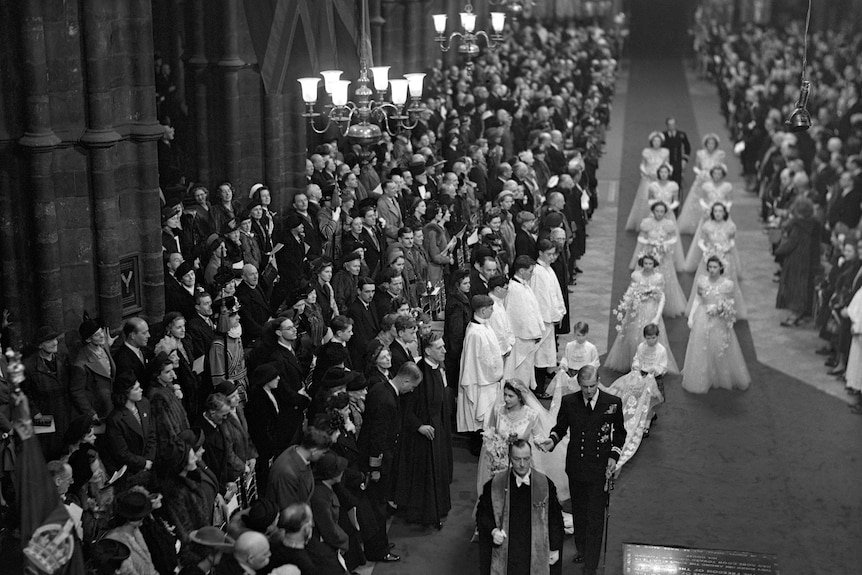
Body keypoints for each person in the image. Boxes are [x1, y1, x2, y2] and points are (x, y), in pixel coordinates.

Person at [539, 366, 625, 575]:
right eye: (585, 387)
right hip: (576, 467)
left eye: (593, 386)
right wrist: (551, 441)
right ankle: (583, 549)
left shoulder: (612, 403)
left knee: (595, 517)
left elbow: (620, 434)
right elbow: (560, 428)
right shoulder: (569, 402)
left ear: (599, 381)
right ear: (579, 384)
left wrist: (613, 457)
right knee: (579, 513)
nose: (588, 391)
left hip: (599, 469)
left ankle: (591, 564)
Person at [476, 440, 564, 575]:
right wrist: (493, 531)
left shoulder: (544, 485)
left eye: (526, 459)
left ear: (531, 458)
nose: (522, 464)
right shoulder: (495, 485)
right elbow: (482, 513)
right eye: (517, 459)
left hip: (535, 551)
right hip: (508, 554)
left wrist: (555, 547)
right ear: (510, 459)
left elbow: (555, 519)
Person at [396, 333, 452, 527]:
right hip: (422, 433)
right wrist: (418, 425)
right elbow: (406, 407)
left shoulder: (437, 368)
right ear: (428, 351)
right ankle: (424, 514)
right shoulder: (419, 373)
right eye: (439, 347)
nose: (444, 350)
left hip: (438, 427)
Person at [600, 323, 666, 470]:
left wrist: (654, 370)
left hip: (653, 379)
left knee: (650, 402)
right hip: (640, 377)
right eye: (648, 338)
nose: (651, 341)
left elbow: (663, 366)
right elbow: (637, 358)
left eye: (653, 338)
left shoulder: (661, 350)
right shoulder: (642, 347)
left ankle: (647, 422)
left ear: (657, 336)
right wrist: (636, 365)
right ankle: (649, 416)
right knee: (640, 401)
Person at [682, 256, 751, 394]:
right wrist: (691, 317)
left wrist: (719, 309)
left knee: (719, 346)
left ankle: (720, 376)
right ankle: (704, 377)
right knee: (702, 346)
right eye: (710, 267)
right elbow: (697, 299)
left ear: (720, 267)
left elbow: (730, 303)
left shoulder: (727, 285)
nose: (712, 270)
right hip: (703, 316)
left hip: (719, 319)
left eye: (715, 267)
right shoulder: (702, 281)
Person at [605, 254, 679, 374]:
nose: (648, 266)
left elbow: (662, 297)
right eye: (645, 263)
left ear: (654, 264)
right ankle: (635, 363)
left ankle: (652, 365)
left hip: (651, 309)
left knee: (649, 335)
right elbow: (630, 289)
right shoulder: (636, 275)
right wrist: (626, 302)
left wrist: (657, 316)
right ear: (641, 263)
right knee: (632, 336)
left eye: (650, 264)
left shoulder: (658, 278)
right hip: (636, 309)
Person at [684, 202, 747, 319]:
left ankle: (725, 309)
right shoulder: (707, 226)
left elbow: (732, 241)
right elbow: (700, 241)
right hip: (710, 259)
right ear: (712, 212)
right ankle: (706, 306)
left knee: (725, 282)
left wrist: (726, 248)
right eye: (716, 211)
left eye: (720, 211)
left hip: (725, 258)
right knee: (708, 282)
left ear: (724, 213)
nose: (718, 214)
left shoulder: (730, 226)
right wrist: (708, 250)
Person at [631, 200, 687, 317]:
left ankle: (664, 305)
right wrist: (650, 242)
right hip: (649, 253)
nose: (659, 213)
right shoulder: (647, 223)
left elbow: (674, 239)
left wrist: (664, 244)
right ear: (653, 211)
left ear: (665, 212)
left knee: (665, 279)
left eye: (662, 211)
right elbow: (641, 238)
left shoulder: (668, 224)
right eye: (657, 211)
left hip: (663, 255)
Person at [457, 295, 504, 434]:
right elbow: (481, 360)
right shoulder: (475, 333)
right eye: (490, 309)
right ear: (483, 311)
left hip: (488, 379)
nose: (492, 312)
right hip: (482, 381)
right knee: (482, 415)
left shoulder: (484, 325)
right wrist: (496, 374)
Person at [775, 197, 821, 327]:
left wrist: (778, 251)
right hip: (811, 259)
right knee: (805, 286)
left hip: (796, 260)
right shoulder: (815, 224)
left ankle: (795, 315)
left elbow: (791, 243)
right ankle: (802, 313)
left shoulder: (798, 225)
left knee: (794, 287)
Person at [267, 423, 333, 512]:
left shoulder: (297, 452)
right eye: (323, 453)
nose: (323, 456)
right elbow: (289, 511)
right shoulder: (287, 473)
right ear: (314, 451)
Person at [530, 240, 567, 399]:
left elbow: (555, 293)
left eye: (553, 254)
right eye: (549, 254)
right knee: (540, 356)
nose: (552, 257)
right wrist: (552, 315)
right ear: (540, 253)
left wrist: (559, 311)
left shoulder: (547, 269)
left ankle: (542, 381)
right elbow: (541, 299)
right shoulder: (538, 272)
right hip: (543, 321)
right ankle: (538, 389)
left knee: (546, 355)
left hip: (549, 319)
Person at [505, 256, 545, 387]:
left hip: (528, 339)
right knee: (520, 375)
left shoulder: (524, 286)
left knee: (526, 375)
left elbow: (533, 310)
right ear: (521, 271)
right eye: (530, 271)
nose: (532, 274)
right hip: (521, 340)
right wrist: (532, 334)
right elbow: (518, 317)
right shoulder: (514, 289)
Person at [678, 133, 725, 234]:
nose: (711, 145)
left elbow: (722, 167)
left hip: (715, 179)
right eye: (709, 143)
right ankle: (695, 225)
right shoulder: (700, 153)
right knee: (698, 201)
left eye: (713, 143)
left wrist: (716, 174)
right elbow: (696, 167)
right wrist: (701, 173)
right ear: (706, 144)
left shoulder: (720, 154)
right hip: (702, 180)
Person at [625, 131, 669, 231]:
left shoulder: (665, 152)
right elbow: (642, 165)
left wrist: (663, 173)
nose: (656, 143)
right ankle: (645, 223)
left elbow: (667, 164)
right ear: (651, 142)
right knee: (645, 200)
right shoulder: (646, 152)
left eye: (658, 141)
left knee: (660, 199)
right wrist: (647, 173)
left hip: (659, 180)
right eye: (654, 141)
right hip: (648, 179)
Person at [662, 116, 691, 190]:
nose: (672, 126)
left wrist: (684, 160)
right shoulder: (663, 135)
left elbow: (687, 147)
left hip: (678, 162)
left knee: (677, 183)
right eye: (670, 124)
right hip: (666, 162)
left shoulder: (681, 135)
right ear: (667, 125)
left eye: (673, 124)